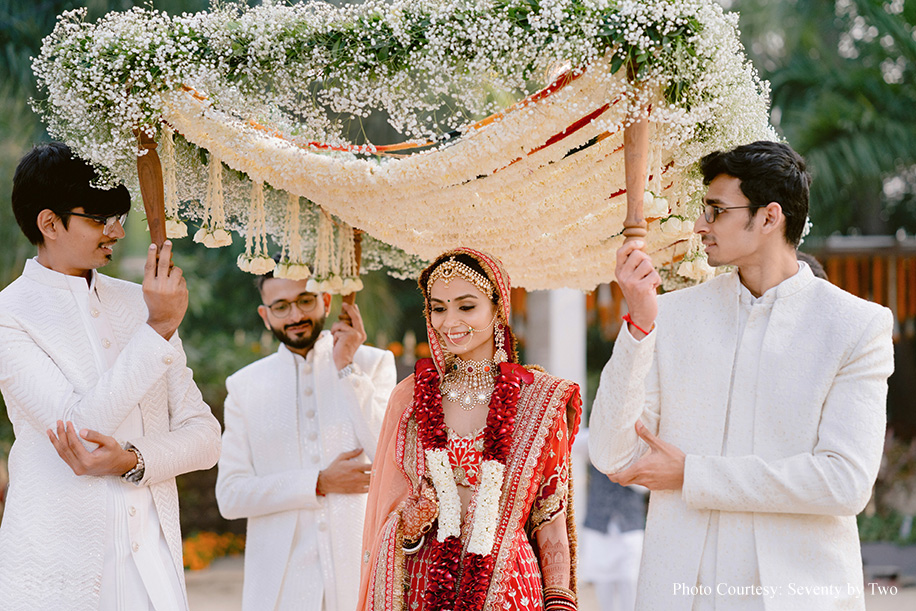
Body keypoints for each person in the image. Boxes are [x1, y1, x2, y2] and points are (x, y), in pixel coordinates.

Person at [589, 140, 895, 610]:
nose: (699, 226)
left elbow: (844, 482)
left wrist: (694, 474)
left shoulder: (854, 327)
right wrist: (639, 327)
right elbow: (612, 453)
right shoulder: (668, 317)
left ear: (770, 218)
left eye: (715, 211)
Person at [0, 141, 221, 609]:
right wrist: (158, 328)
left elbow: (206, 438)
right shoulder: (9, 316)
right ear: (49, 223)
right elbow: (78, 431)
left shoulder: (141, 300)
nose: (117, 233)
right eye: (101, 218)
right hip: (61, 575)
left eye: (119, 217)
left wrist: (132, 460)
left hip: (154, 573)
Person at [358, 248, 582, 611]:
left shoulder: (539, 399)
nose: (449, 322)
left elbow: (549, 517)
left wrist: (559, 603)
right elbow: (388, 502)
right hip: (426, 583)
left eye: (466, 307)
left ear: (498, 309)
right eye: (438, 307)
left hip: (508, 587)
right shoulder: (411, 398)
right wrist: (409, 521)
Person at [216, 264, 397, 611]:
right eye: (281, 306)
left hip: (360, 573)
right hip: (281, 587)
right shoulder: (245, 386)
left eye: (305, 300)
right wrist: (317, 482)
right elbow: (230, 495)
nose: (295, 314)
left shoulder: (372, 364)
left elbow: (387, 455)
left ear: (326, 300)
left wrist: (346, 367)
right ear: (265, 315)